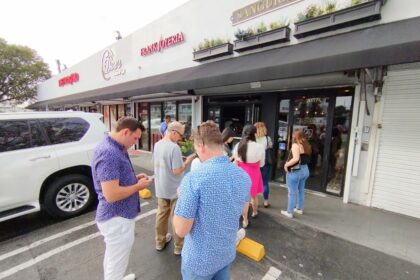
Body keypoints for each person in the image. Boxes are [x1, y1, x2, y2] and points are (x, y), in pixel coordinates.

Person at [173, 121, 251, 280]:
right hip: (225, 254)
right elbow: (243, 210)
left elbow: (181, 230)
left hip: (199, 261)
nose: (196, 153)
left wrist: (183, 198)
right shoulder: (243, 176)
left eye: (195, 149)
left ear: (201, 145)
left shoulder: (193, 179)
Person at [91, 117, 152, 280]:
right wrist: (138, 186)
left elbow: (115, 180)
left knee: (114, 258)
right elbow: (111, 195)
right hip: (116, 217)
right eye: (135, 138)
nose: (136, 142)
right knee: (116, 260)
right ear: (125, 131)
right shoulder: (109, 152)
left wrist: (133, 178)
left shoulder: (114, 148)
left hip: (117, 217)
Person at [153, 121, 195, 255]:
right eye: (180, 135)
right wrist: (187, 162)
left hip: (160, 186)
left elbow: (161, 162)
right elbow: (177, 170)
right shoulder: (174, 147)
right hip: (174, 188)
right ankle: (179, 246)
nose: (181, 138)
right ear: (173, 132)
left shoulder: (157, 144)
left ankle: (160, 241)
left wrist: (177, 160)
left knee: (161, 215)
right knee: (176, 217)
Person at [234, 124, 265, 228]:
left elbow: (236, 162)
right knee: (253, 196)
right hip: (254, 173)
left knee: (242, 197)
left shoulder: (238, 145)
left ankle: (244, 219)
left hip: (241, 173)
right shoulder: (259, 147)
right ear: (255, 134)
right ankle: (254, 212)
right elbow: (262, 164)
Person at [281, 129, 312, 218]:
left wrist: (286, 165)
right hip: (305, 170)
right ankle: (299, 209)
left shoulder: (295, 145)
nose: (292, 136)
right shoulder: (307, 145)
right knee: (301, 190)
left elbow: (296, 159)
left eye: (294, 135)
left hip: (295, 171)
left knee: (292, 192)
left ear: (296, 136)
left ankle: (289, 212)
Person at [255, 122, 273, 208]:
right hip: (265, 162)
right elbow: (271, 146)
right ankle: (266, 202)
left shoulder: (253, 138)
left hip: (255, 162)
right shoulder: (267, 138)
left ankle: (255, 202)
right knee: (265, 182)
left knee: (254, 182)